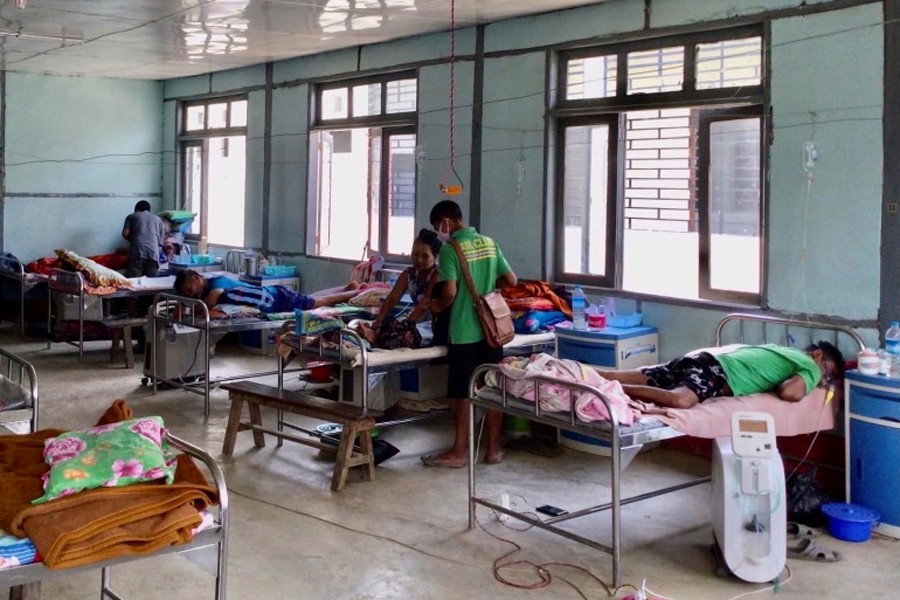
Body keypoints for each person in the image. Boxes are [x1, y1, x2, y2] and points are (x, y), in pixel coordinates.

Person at [420, 200, 517, 468]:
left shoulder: (451, 250)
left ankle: (459, 452)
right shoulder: (489, 243)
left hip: (464, 332)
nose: (439, 232)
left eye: (438, 227)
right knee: (493, 388)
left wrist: (438, 305)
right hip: (492, 331)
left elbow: (449, 292)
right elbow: (512, 281)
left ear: (446, 223)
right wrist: (487, 288)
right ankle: (492, 450)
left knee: (463, 393)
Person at [597, 341, 845, 409]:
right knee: (681, 400)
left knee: (616, 374)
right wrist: (815, 382)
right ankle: (611, 390)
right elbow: (789, 392)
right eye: (828, 372)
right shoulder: (811, 366)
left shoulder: (785, 353)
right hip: (716, 372)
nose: (825, 379)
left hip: (702, 360)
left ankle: (584, 374)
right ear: (818, 356)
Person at [361, 229, 447, 348]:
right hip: (415, 323)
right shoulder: (409, 274)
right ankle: (375, 336)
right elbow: (392, 299)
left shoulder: (437, 275)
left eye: (425, 256)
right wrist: (377, 323)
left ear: (435, 257)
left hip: (432, 326)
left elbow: (424, 305)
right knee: (387, 324)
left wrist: (404, 326)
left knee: (402, 336)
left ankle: (375, 339)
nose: (419, 260)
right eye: (415, 254)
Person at [173, 269, 361, 313]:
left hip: (276, 299)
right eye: (187, 294)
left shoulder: (215, 286)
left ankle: (357, 293)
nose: (190, 294)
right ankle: (347, 287)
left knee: (318, 303)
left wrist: (187, 310)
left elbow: (209, 305)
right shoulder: (212, 282)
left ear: (197, 278)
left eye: (189, 289)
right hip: (274, 293)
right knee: (309, 299)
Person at [122, 201, 167, 277]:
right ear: (149, 210)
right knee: (151, 283)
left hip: (137, 253)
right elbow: (161, 242)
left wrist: (133, 240)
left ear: (136, 210)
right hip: (153, 255)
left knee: (133, 282)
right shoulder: (158, 220)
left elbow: (125, 233)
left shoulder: (131, 216)